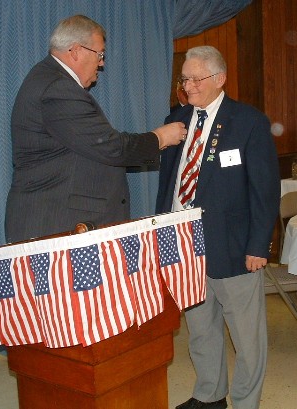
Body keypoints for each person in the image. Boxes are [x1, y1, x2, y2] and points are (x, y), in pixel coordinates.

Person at [156, 46, 280, 409]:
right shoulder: (176, 119)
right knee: (201, 328)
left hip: (233, 246)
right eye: (184, 79)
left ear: (220, 79)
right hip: (185, 246)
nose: (188, 87)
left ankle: (245, 402)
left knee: (246, 337)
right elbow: (168, 183)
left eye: (196, 79)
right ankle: (210, 395)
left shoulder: (248, 122)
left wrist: (260, 245)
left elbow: (265, 190)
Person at [4, 15, 186, 243]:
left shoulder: (49, 80)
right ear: (76, 51)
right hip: (59, 226)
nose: (102, 63)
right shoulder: (57, 88)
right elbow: (110, 148)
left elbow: (95, 153)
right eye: (100, 54)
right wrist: (159, 138)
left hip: (63, 223)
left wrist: (153, 151)